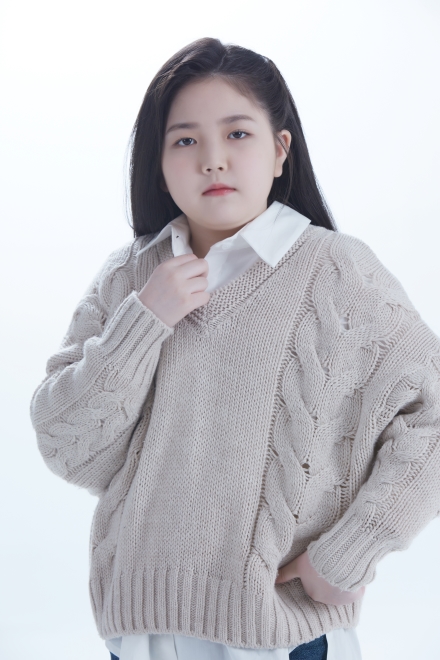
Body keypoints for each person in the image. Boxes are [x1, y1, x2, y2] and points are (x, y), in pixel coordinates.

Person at [29, 37, 440, 660]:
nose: (213, 160)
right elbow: (68, 449)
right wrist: (145, 321)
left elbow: (433, 417)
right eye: (184, 141)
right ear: (158, 162)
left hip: (280, 635)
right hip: (139, 631)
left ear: (280, 151)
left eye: (238, 134)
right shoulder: (128, 279)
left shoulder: (339, 273)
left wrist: (354, 550)